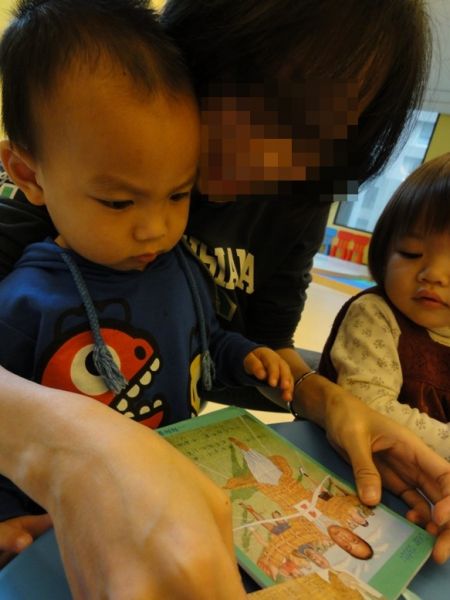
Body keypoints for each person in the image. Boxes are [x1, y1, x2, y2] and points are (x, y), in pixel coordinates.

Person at [0, 0, 449, 597]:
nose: (276, 162)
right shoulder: (82, 161)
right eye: (266, 114)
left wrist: (330, 402)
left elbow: (253, 348)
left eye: (317, 140)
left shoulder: (291, 201)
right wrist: (71, 454)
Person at [0, 0, 295, 544]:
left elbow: (206, 340)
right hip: (67, 528)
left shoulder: (179, 267)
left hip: (170, 498)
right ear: (29, 175)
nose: (156, 229)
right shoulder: (25, 301)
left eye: (179, 194)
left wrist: (242, 355)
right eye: (119, 202)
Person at [319, 154, 450, 461]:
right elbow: (370, 409)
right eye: (411, 253)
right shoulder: (375, 315)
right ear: (385, 250)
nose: (433, 274)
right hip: (346, 468)